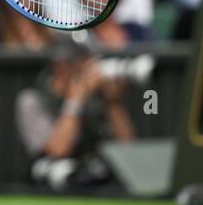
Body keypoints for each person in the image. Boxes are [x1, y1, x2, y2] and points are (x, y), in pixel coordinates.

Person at [15, 34, 135, 192]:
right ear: (61, 65)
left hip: (96, 178)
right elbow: (57, 150)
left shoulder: (96, 96)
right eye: (82, 62)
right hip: (52, 184)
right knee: (58, 170)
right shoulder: (33, 99)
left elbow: (127, 146)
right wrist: (76, 99)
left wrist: (112, 102)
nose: (90, 69)